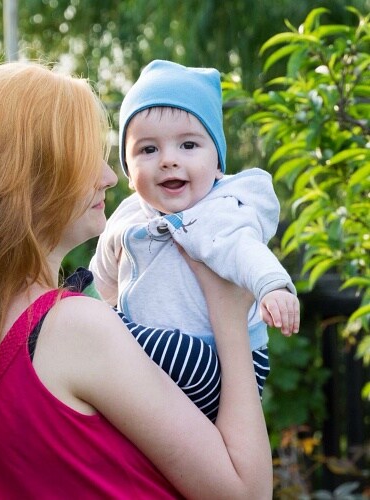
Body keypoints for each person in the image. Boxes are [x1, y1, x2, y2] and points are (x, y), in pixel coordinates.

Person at [0, 61, 272, 499]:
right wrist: (228, 314)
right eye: (84, 158)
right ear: (28, 178)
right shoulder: (73, 329)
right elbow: (245, 494)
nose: (110, 177)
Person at [90, 60, 300, 418]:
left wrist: (273, 287)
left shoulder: (220, 210)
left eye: (188, 145)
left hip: (221, 359)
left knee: (127, 343)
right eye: (148, 150)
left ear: (218, 163)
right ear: (127, 169)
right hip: (163, 359)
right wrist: (98, 309)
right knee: (99, 330)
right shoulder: (127, 216)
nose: (169, 160)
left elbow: (247, 251)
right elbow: (103, 277)